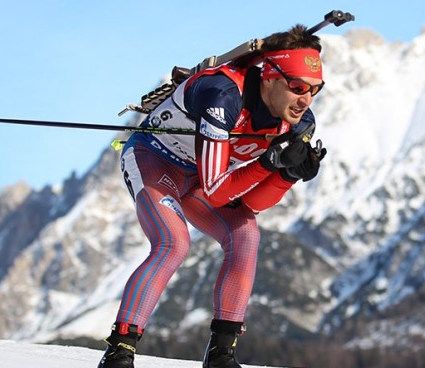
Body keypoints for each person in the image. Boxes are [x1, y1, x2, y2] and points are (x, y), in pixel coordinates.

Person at [97, 24, 327, 368]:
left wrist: (286, 175)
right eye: (297, 87)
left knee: (246, 235)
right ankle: (119, 351)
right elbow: (217, 189)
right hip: (156, 159)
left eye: (315, 90)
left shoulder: (297, 122)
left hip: (202, 179)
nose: (305, 100)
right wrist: (267, 164)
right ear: (270, 77)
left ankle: (221, 355)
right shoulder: (223, 94)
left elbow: (251, 205)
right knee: (173, 243)